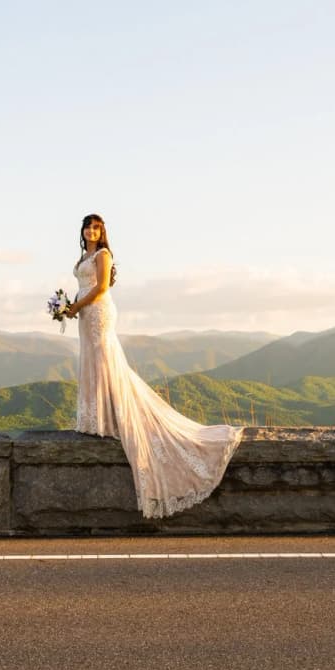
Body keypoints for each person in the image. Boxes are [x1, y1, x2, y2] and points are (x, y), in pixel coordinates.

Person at [64, 214, 243, 518]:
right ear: (82, 230)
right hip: (85, 314)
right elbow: (85, 286)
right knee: (92, 359)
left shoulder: (103, 255)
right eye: (87, 226)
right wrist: (69, 308)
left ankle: (110, 417)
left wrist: (77, 306)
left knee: (105, 359)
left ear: (101, 232)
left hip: (97, 313)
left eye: (96, 227)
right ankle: (95, 418)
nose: (91, 231)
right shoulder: (84, 256)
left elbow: (102, 287)